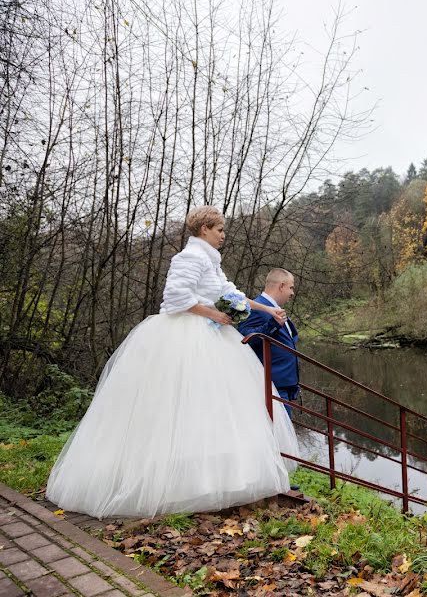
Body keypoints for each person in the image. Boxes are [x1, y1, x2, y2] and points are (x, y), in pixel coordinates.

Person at [46, 206, 300, 519]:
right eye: (219, 230)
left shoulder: (210, 260)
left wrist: (266, 311)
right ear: (205, 228)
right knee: (178, 407)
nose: (223, 235)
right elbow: (176, 297)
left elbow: (230, 293)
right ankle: (166, 483)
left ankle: (211, 479)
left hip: (214, 336)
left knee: (214, 409)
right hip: (186, 335)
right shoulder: (189, 257)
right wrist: (214, 314)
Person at [238, 269, 300, 416]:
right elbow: (245, 339)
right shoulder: (256, 308)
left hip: (283, 387)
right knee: (278, 437)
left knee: (283, 436)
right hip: (271, 388)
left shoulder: (275, 309)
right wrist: (272, 325)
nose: (292, 293)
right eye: (291, 287)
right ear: (281, 286)